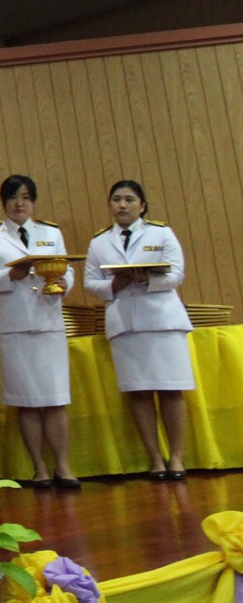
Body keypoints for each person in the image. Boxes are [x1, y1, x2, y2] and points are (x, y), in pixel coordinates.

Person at [82, 180, 194, 481]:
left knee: (171, 390)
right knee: (139, 393)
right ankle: (156, 459)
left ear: (142, 205)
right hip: (126, 324)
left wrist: (147, 279)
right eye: (116, 199)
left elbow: (176, 274)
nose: (122, 205)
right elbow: (90, 283)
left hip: (163, 322)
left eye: (129, 199)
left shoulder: (161, 232)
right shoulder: (100, 242)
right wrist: (113, 285)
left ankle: (178, 458)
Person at [0, 175, 78, 488]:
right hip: (15, 326)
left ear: (34, 201)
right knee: (28, 400)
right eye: (13, 197)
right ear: (3, 201)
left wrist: (60, 284)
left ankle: (63, 467)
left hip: (48, 321)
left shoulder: (50, 232)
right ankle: (39, 469)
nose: (20, 204)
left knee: (55, 398)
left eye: (26, 197)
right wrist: (11, 275)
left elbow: (67, 269)